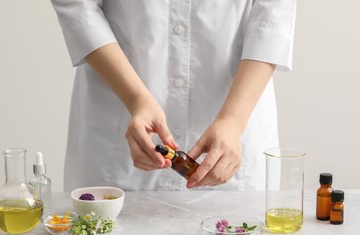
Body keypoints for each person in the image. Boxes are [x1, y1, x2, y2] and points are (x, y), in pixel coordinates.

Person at [50, 0, 296, 191]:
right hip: (117, 133)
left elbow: (274, 14)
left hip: (235, 126)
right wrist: (137, 99)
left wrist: (233, 120)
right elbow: (78, 9)